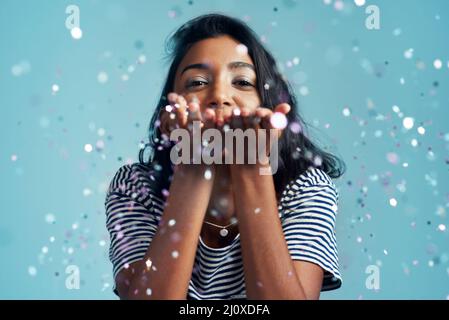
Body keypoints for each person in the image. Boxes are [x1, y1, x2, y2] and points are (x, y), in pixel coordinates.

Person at [105, 13, 345, 300]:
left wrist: (252, 168)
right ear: (167, 116)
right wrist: (193, 170)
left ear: (269, 104)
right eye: (196, 82)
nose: (220, 96)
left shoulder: (305, 188)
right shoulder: (134, 187)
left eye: (242, 82)